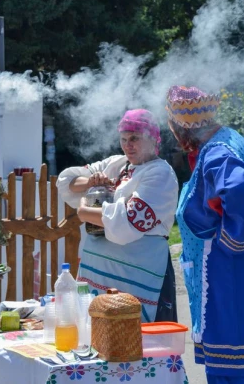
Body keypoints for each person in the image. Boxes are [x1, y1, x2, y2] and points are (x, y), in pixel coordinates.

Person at [165, 85, 244, 384]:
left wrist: (234, 239)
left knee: (233, 371)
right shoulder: (232, 140)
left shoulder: (217, 152)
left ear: (180, 126)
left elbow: (240, 194)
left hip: (231, 277)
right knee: (239, 371)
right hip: (235, 275)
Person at [57, 109, 179, 322]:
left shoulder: (160, 173)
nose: (127, 145)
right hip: (97, 272)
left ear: (153, 139)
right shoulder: (117, 163)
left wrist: (84, 212)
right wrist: (91, 182)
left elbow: (129, 222)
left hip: (135, 273)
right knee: (93, 329)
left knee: (131, 334)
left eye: (134, 138)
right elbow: (67, 182)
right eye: (123, 139)